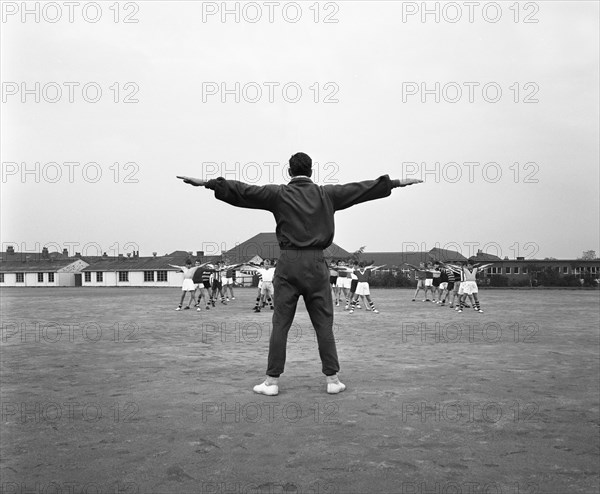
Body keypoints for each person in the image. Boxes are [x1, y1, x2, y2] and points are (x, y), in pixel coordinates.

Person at [177, 152, 422, 395]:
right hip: (316, 263)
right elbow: (360, 189)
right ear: (312, 172)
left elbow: (244, 191)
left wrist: (208, 184)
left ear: (289, 171)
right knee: (323, 324)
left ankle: (271, 382)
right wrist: (394, 183)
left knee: (281, 323)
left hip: (289, 262)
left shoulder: (279, 194)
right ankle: (333, 380)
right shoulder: (327, 194)